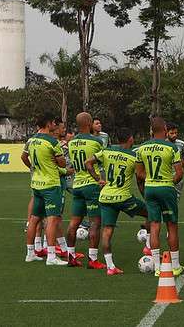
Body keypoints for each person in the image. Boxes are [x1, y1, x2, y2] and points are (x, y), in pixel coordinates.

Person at [86, 128, 147, 276]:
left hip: (106, 197)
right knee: (150, 212)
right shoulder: (134, 156)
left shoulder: (107, 151)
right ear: (131, 139)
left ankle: (110, 267)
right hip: (123, 198)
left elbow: (88, 162)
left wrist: (97, 178)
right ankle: (149, 247)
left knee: (107, 231)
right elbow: (140, 177)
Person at [136, 117, 184, 276]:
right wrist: (168, 181)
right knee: (171, 226)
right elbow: (179, 173)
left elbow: (139, 173)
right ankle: (175, 266)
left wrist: (151, 179)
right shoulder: (171, 148)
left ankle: (157, 267)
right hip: (166, 189)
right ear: (164, 130)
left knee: (155, 226)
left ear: (151, 131)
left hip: (150, 189)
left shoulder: (142, 148)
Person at [22, 113, 68, 266]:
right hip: (50, 185)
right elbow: (62, 164)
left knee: (34, 219)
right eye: (54, 123)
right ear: (48, 124)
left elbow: (23, 157)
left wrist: (33, 169)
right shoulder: (52, 142)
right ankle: (51, 256)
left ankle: (30, 253)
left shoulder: (31, 140)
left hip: (36, 184)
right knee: (53, 219)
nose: (55, 125)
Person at [65, 112, 105, 268]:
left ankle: (71, 256)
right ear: (89, 123)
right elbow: (102, 160)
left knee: (74, 222)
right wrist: (99, 179)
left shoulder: (72, 142)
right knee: (95, 222)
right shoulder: (97, 141)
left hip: (77, 185)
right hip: (91, 185)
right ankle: (93, 259)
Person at [166, 123, 184, 202]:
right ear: (166, 133)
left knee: (174, 202)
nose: (174, 135)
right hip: (164, 177)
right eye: (172, 133)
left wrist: (178, 165)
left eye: (176, 133)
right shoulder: (162, 144)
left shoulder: (181, 144)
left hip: (177, 178)